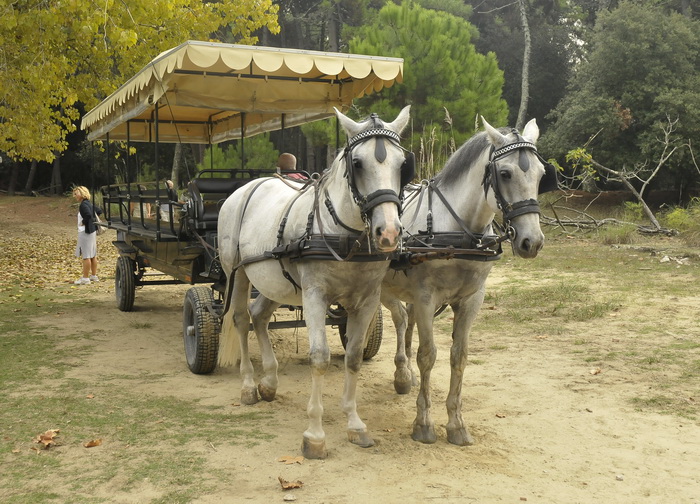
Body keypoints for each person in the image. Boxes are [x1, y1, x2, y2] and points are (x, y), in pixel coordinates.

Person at [72, 186, 101, 285]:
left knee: (86, 255)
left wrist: (84, 222)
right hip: (92, 231)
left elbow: (88, 215)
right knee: (93, 254)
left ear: (82, 193)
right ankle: (93, 275)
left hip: (85, 232)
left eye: (76, 193)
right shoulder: (89, 203)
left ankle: (85, 278)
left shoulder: (83, 205)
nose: (75, 196)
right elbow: (99, 211)